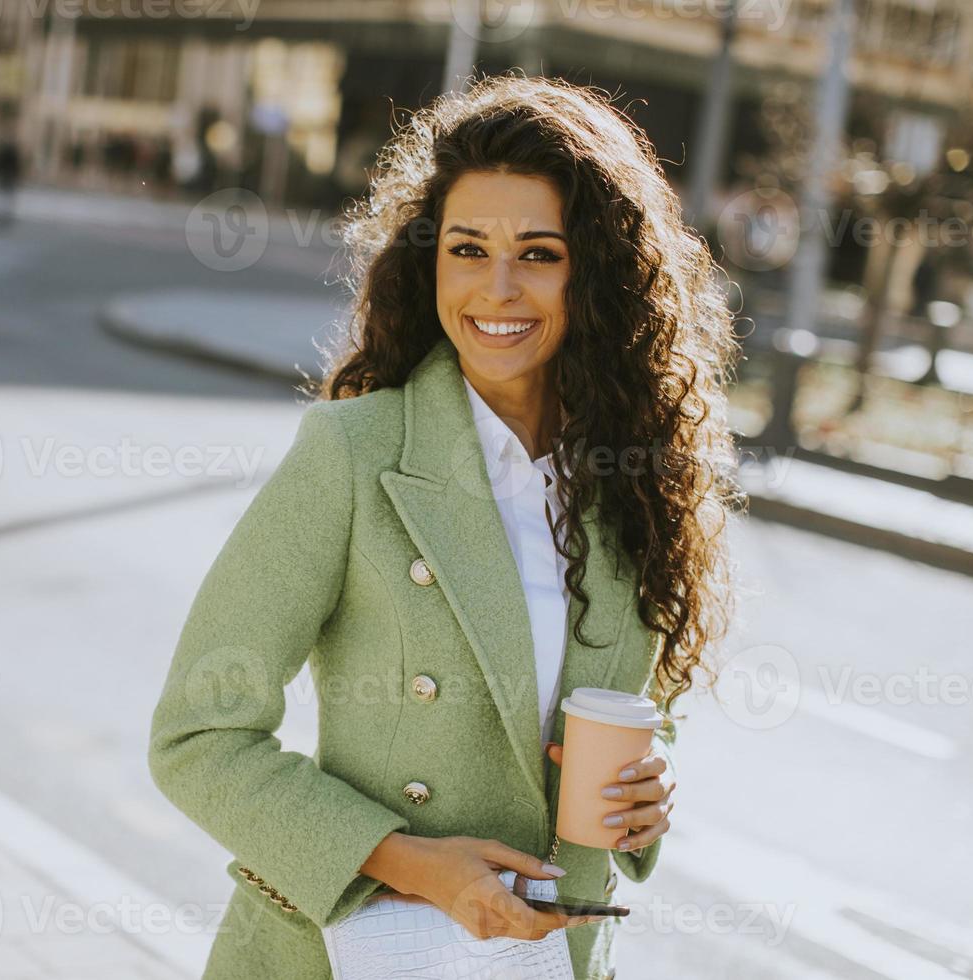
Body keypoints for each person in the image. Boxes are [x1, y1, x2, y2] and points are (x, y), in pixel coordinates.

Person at [147, 73, 739, 980]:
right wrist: (412, 862)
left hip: (553, 960)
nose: (496, 289)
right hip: (362, 951)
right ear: (429, 263)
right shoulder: (355, 454)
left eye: (539, 253)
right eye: (467, 248)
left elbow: (639, 712)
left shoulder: (635, 484)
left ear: (599, 271)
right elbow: (198, 737)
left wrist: (646, 793)